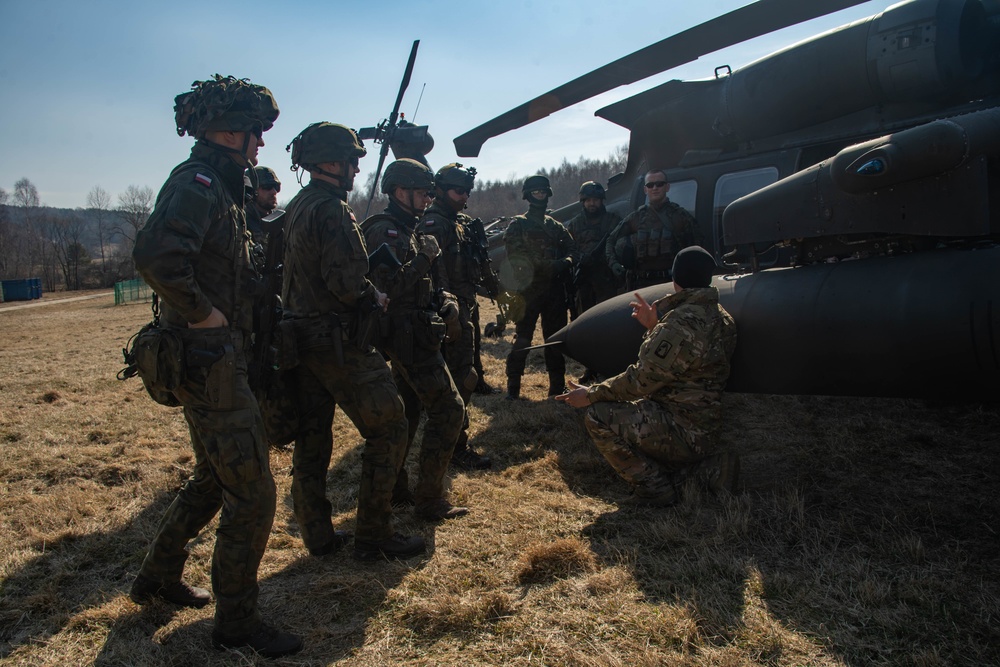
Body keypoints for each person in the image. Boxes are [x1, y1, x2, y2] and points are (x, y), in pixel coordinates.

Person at [130, 75, 302, 658]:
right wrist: (202, 315)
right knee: (251, 496)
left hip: (213, 360)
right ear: (229, 131)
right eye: (255, 134)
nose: (260, 146)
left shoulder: (221, 187)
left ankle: (156, 577)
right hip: (209, 362)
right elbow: (156, 256)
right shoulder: (199, 183)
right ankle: (237, 625)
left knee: (211, 479)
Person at [280, 123, 425, 560]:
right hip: (337, 342)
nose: (357, 167)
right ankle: (374, 535)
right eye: (351, 159)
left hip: (299, 340)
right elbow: (344, 281)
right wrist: (372, 294)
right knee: (391, 426)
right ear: (328, 163)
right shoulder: (331, 209)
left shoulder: (297, 205)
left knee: (312, 442)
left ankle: (319, 536)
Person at [555, 246, 738, 507]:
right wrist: (655, 328)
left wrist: (590, 394)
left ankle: (654, 489)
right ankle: (710, 469)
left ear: (676, 279)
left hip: (682, 430)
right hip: (704, 426)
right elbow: (690, 363)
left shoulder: (679, 324)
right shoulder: (722, 318)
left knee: (598, 416)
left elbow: (640, 382)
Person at [361, 158, 470, 520]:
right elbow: (387, 290)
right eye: (421, 193)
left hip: (418, 331)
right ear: (399, 191)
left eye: (428, 193)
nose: (427, 199)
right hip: (405, 337)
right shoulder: (385, 230)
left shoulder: (410, 228)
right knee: (450, 410)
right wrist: (424, 259)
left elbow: (428, 284)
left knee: (408, 412)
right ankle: (429, 500)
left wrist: (447, 300)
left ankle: (397, 489)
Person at [420, 163, 493, 470]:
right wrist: (448, 311)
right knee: (460, 379)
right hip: (450, 311)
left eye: (466, 191)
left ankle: (453, 442)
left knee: (466, 375)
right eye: (457, 191)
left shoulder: (456, 222)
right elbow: (434, 273)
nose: (463, 197)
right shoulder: (436, 222)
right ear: (439, 190)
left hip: (465, 306)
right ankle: (454, 447)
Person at [503, 174, 578, 399]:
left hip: (554, 291)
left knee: (555, 340)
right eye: (536, 192)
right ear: (528, 195)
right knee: (522, 339)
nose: (540, 196)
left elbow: (572, 249)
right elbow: (518, 257)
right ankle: (513, 389)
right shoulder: (519, 224)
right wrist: (554, 265)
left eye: (543, 192)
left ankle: (556, 387)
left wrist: (566, 262)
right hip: (529, 290)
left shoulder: (555, 226)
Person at [564, 180, 622, 382]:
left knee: (609, 324)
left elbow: (620, 245)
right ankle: (590, 368)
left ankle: (609, 368)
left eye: (595, 199)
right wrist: (579, 260)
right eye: (588, 200)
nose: (592, 204)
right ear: (582, 201)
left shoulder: (613, 221)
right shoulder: (575, 224)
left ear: (601, 201)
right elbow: (569, 249)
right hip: (584, 282)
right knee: (585, 325)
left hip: (606, 281)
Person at [606, 169, 702, 291]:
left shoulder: (681, 217)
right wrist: (614, 264)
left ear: (667, 187)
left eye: (659, 184)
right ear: (645, 190)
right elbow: (610, 241)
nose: (655, 188)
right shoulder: (636, 218)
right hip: (641, 285)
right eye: (650, 185)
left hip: (672, 284)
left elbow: (698, 246)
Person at [245, 165, 281, 247]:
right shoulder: (242, 223)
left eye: (276, 187)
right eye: (267, 187)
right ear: (252, 192)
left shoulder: (279, 222)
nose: (274, 192)